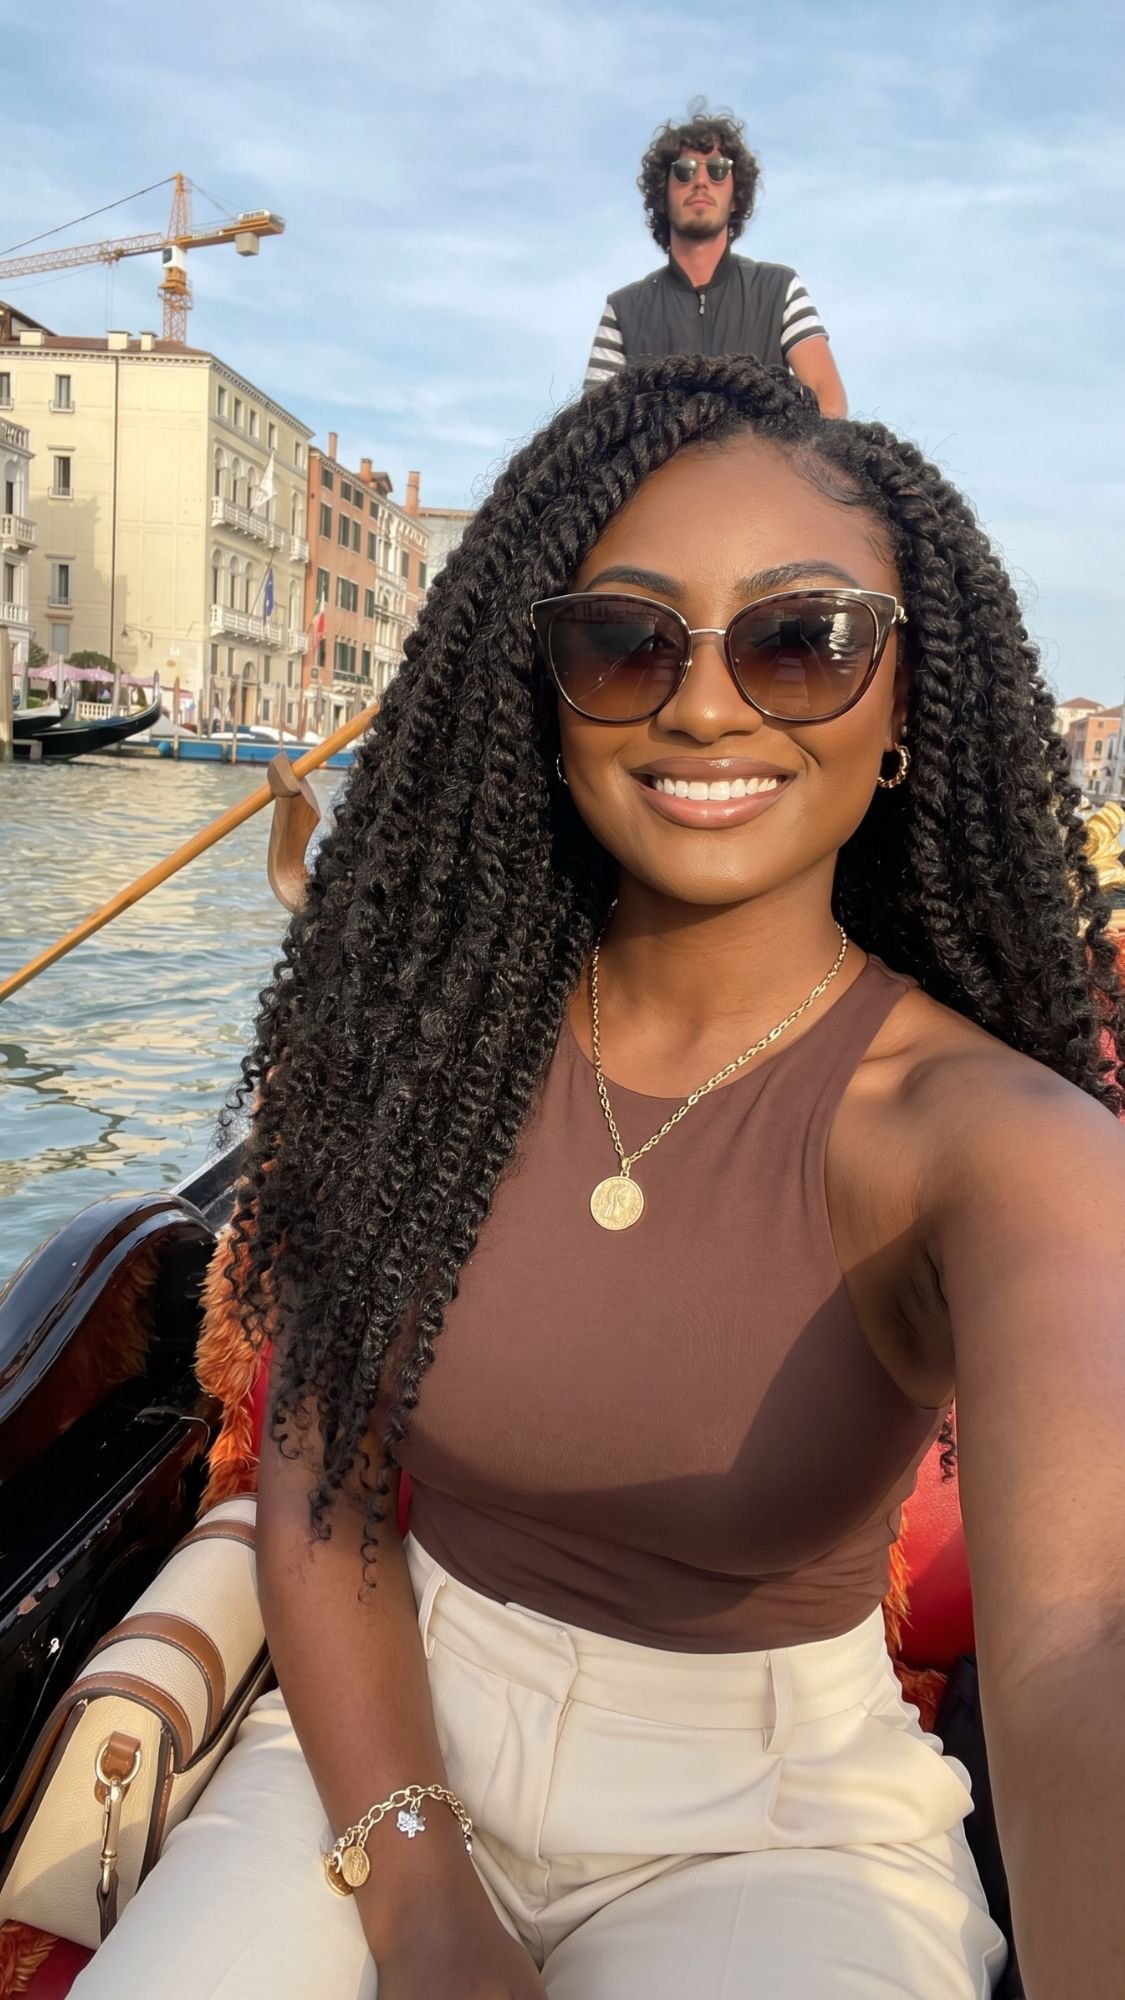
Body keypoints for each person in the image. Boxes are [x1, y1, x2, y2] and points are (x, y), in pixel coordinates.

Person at [74, 355, 1125, 2000]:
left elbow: (1086, 1640)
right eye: (628, 639)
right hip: (384, 1736)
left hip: (776, 1823)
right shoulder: (421, 1038)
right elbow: (322, 1477)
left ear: (905, 696)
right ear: (549, 691)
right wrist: (421, 1895)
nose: (707, 705)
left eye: (801, 637)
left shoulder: (999, 1143)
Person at [583, 108, 847, 416]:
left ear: (736, 197)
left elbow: (827, 398)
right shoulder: (623, 310)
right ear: (663, 196)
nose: (701, 181)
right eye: (684, 170)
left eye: (718, 169)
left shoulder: (781, 289)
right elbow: (593, 429)